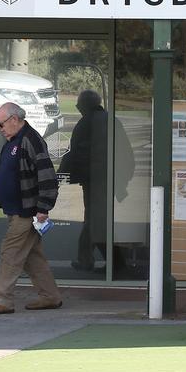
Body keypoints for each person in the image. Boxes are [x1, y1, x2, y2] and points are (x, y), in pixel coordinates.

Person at [0, 102, 62, 314]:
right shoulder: (12, 142)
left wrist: (43, 207)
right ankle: (50, 296)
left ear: (14, 119)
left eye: (0, 124)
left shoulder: (31, 140)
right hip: (16, 211)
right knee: (32, 257)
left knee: (10, 252)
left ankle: (3, 300)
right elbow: (0, 175)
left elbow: (47, 175)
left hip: (27, 211)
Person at [62, 89, 134, 272]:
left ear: (84, 106)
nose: (78, 108)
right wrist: (123, 179)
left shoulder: (85, 124)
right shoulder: (111, 120)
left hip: (95, 180)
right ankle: (92, 259)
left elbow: (74, 154)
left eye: (79, 105)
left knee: (95, 222)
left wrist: (59, 176)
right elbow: (126, 151)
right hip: (109, 179)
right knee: (95, 220)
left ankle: (114, 263)